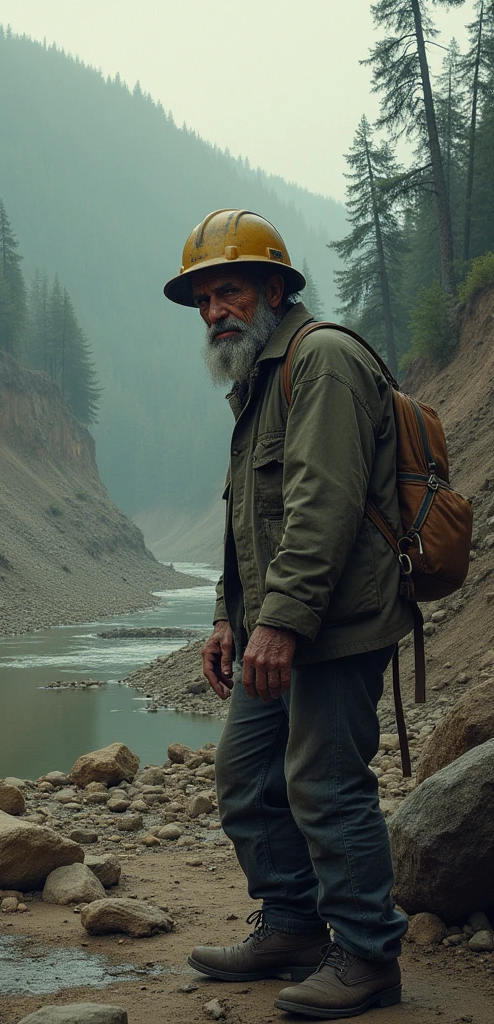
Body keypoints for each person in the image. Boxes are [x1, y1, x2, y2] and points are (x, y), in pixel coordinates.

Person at [163, 210, 413, 1019]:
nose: (213, 314)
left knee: (327, 783)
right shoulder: (257, 379)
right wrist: (228, 617)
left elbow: (322, 504)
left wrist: (281, 621)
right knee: (244, 775)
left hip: (335, 623)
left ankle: (370, 955)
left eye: (227, 291)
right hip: (278, 622)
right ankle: (296, 926)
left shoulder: (324, 361)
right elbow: (248, 514)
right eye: (202, 301)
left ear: (275, 287)